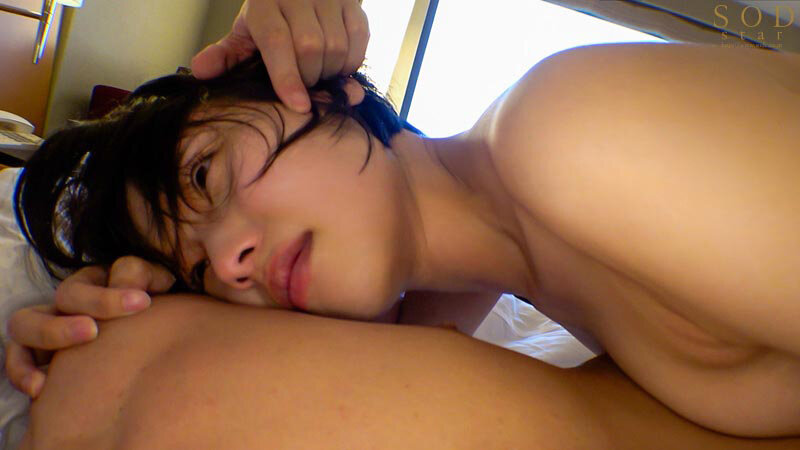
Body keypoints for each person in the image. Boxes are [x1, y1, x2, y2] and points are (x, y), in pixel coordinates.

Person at [5, 0, 800, 440]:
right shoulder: (488, 260)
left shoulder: (569, 132)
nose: (233, 260)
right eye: (201, 268)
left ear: (331, 91)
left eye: (206, 176)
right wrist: (121, 306)